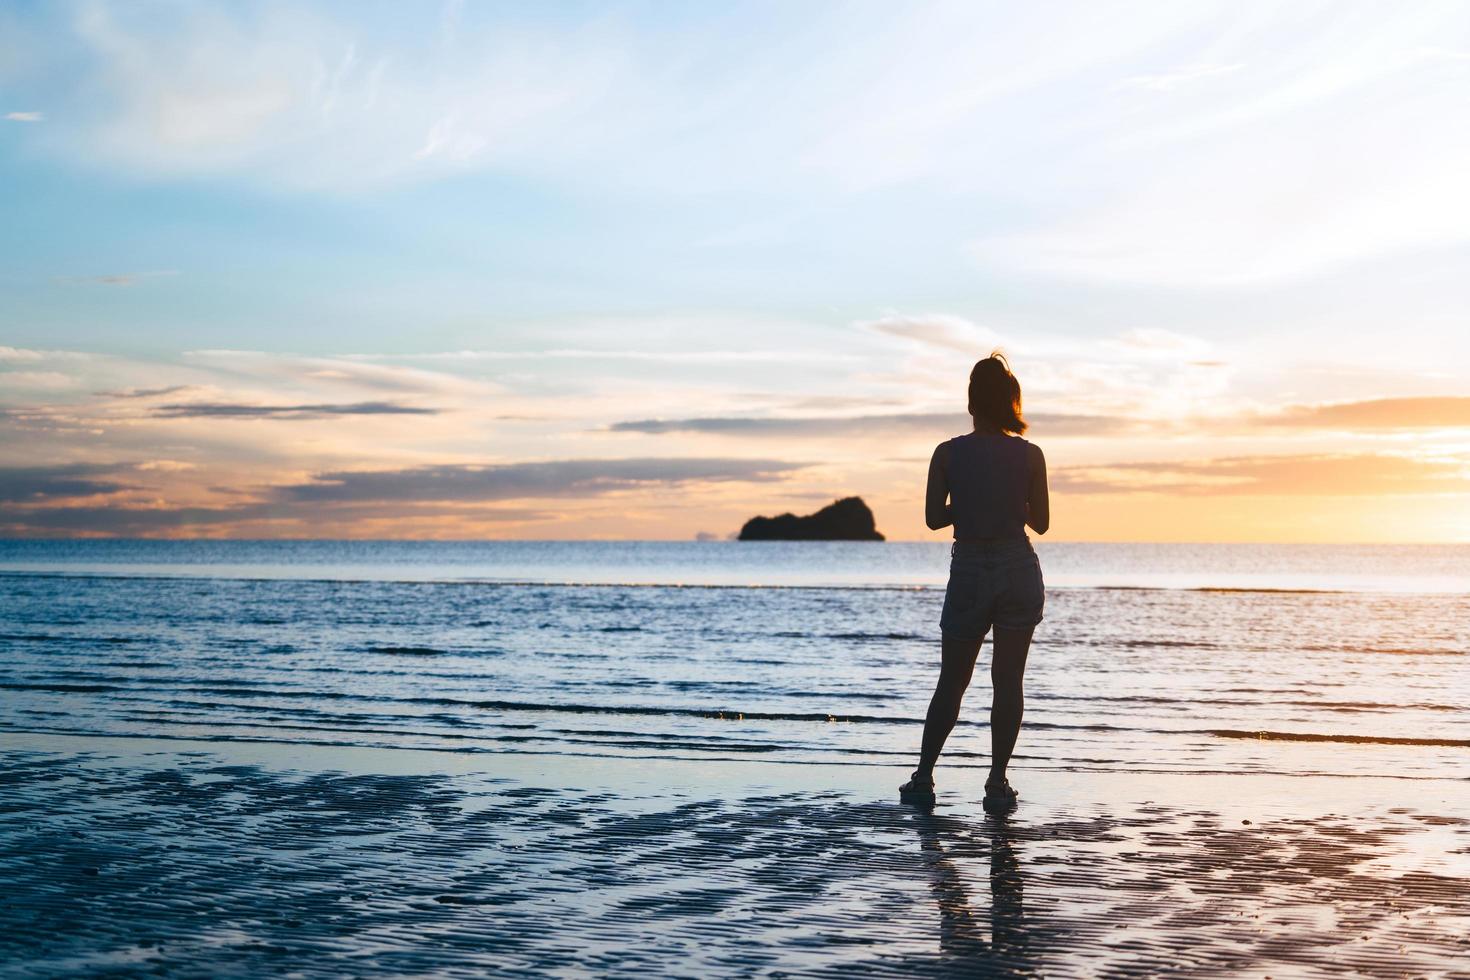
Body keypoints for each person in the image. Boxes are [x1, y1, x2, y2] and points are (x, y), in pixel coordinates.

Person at [900, 351, 1049, 810]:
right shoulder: (1030, 455)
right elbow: (1040, 523)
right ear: (1011, 402)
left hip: (968, 571)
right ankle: (997, 782)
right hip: (1016, 568)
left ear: (971, 401)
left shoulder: (947, 453)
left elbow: (931, 519)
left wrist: (968, 505)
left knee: (952, 681)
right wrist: (1006, 504)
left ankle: (924, 778)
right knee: (1009, 682)